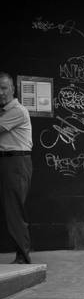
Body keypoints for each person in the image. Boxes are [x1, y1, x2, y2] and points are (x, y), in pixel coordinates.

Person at [0, 73, 33, 265]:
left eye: (4, 88)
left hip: (16, 163)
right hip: (7, 162)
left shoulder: (18, 111)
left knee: (14, 210)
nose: (1, 92)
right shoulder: (4, 111)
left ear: (13, 89)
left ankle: (23, 255)